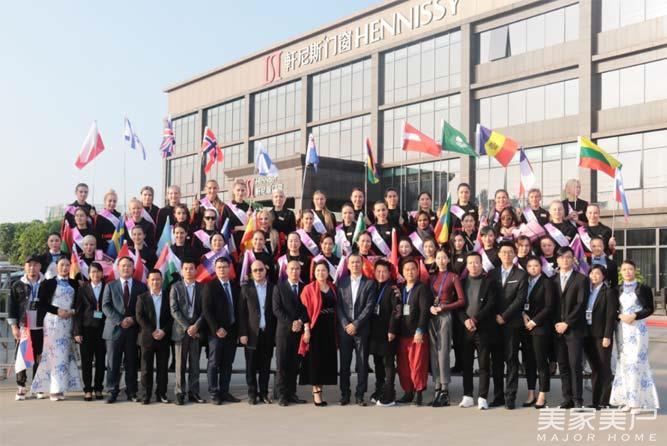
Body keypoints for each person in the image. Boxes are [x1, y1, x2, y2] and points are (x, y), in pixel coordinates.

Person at [609, 260, 660, 413]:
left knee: (637, 362)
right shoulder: (617, 289)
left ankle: (637, 402)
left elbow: (650, 308)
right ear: (621, 272)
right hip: (622, 329)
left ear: (635, 270)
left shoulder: (643, 288)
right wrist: (620, 316)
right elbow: (613, 309)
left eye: (630, 269)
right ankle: (627, 400)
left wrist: (635, 315)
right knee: (624, 363)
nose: (627, 272)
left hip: (638, 329)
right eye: (624, 269)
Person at [31, 257, 81, 401]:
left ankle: (61, 387)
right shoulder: (48, 283)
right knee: (53, 354)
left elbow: (78, 303)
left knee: (64, 355)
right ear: (56, 267)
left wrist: (71, 312)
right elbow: (41, 304)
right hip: (52, 322)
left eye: (67, 265)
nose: (65, 268)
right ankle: (54, 389)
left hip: (68, 321)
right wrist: (57, 311)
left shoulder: (75, 283)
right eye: (62, 265)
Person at [102, 256, 148, 403]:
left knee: (131, 362)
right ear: (118, 268)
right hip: (114, 330)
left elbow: (144, 308)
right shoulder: (110, 286)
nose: (126, 268)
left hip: (133, 330)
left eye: (129, 266)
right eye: (123, 266)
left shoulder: (141, 287)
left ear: (133, 268)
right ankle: (112, 391)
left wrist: (133, 319)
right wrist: (120, 320)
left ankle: (132, 391)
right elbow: (105, 306)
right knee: (113, 363)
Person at [490, 241, 528, 410]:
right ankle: (498, 396)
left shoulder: (521, 274)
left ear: (514, 254)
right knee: (496, 361)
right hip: (494, 323)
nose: (507, 255)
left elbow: (520, 299)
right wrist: (495, 316)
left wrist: (504, 316)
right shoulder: (492, 274)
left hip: (512, 323)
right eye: (504, 252)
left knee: (511, 359)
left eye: (510, 252)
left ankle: (510, 396)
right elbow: (489, 297)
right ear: (499, 254)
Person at [457, 252, 498, 410]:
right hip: (466, 329)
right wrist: (465, 320)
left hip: (483, 329)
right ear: (466, 265)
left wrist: (475, 319)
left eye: (476, 262)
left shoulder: (489, 282)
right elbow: (458, 306)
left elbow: (491, 304)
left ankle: (482, 397)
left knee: (483, 364)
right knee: (466, 364)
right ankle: (467, 395)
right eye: (470, 263)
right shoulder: (461, 282)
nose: (473, 265)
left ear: (481, 264)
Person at [337, 254, 375, 406]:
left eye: (358, 262)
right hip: (345, 329)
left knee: (362, 363)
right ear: (348, 265)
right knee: (344, 364)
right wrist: (346, 324)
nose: (355, 265)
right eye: (352, 262)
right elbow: (339, 306)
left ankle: (360, 395)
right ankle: (345, 394)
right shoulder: (342, 283)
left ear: (362, 264)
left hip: (362, 329)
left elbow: (369, 306)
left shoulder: (369, 283)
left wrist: (356, 324)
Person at [553, 246, 589, 409]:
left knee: (575, 365)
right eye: (562, 257)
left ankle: (577, 399)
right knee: (563, 365)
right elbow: (550, 305)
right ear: (557, 260)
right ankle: (567, 398)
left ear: (573, 259)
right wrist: (557, 324)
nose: (565, 260)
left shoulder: (581, 279)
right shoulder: (552, 280)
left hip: (574, 329)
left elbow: (581, 304)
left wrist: (567, 323)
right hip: (557, 329)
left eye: (568, 257)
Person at [299, 260, 338, 406]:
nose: (320, 273)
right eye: (318, 270)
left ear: (328, 272)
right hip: (315, 328)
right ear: (314, 273)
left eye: (323, 270)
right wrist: (307, 329)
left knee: (326, 361)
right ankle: (316, 394)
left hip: (330, 328)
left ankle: (320, 390)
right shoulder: (308, 289)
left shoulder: (333, 287)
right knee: (315, 361)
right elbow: (303, 311)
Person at [428, 249, 464, 407]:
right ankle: (436, 386)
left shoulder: (453, 276)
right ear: (435, 260)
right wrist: (430, 308)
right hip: (432, 316)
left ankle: (444, 389)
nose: (441, 260)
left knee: (443, 352)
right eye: (438, 258)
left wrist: (444, 307)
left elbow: (461, 300)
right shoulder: (432, 277)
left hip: (445, 315)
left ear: (448, 260)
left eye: (444, 258)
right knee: (433, 352)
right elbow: (428, 297)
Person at [202, 257, 240, 405]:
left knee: (227, 364)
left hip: (231, 332)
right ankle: (214, 392)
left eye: (225, 267)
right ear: (215, 269)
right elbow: (207, 310)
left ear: (229, 268)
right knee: (214, 363)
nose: (222, 270)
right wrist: (216, 328)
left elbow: (238, 309)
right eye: (219, 267)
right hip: (216, 333)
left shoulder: (235, 286)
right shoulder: (210, 286)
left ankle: (224, 392)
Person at [239, 260, 277, 405]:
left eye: (261, 269)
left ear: (265, 271)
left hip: (268, 333)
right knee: (251, 366)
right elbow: (241, 313)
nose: (258, 272)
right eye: (255, 270)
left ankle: (264, 393)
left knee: (265, 365)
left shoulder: (273, 288)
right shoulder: (245, 289)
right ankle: (252, 393)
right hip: (251, 334)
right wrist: (242, 333)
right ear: (251, 273)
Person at [272, 260, 309, 406]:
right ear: (286, 271)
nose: (294, 271)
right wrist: (292, 322)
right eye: (292, 269)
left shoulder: (304, 288)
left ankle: (292, 393)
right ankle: (282, 395)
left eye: (297, 269)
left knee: (294, 365)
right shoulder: (279, 288)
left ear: (300, 271)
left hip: (298, 332)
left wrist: (300, 321)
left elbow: (307, 308)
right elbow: (277, 309)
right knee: (282, 364)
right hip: (283, 332)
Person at [9, 255, 45, 400]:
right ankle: (21, 386)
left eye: (35, 265)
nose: (32, 268)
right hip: (24, 327)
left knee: (39, 356)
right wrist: (14, 327)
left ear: (40, 267)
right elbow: (12, 307)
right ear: (25, 267)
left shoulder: (46, 284)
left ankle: (37, 385)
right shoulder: (17, 285)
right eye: (29, 265)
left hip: (42, 326)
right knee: (22, 357)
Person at [169, 260, 205, 405]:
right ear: (181, 271)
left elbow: (205, 310)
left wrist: (196, 326)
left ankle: (194, 392)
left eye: (191, 268)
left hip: (196, 331)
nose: (188, 271)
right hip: (180, 331)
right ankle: (179, 392)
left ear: (196, 271)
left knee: (195, 364)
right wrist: (188, 327)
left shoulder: (202, 287)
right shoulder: (175, 287)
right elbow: (174, 310)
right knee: (180, 364)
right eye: (186, 268)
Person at [396, 258, 430, 406]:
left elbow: (424, 311)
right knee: (403, 366)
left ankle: (418, 393)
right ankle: (408, 392)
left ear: (417, 271)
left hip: (417, 334)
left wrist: (420, 329)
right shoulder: (400, 288)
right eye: (407, 270)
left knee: (417, 365)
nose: (410, 272)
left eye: (413, 269)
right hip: (402, 333)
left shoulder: (422, 288)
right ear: (402, 272)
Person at [521, 256, 554, 409]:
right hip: (525, 326)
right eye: (530, 266)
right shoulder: (525, 281)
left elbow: (549, 307)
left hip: (540, 327)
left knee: (541, 362)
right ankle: (531, 393)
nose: (533, 268)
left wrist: (534, 321)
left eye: (536, 265)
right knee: (529, 362)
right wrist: (523, 315)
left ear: (541, 267)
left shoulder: (547, 282)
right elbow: (521, 301)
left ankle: (542, 394)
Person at [583, 265, 618, 409]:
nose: (594, 276)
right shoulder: (587, 291)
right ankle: (595, 401)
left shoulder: (608, 292)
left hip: (601, 336)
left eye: (597, 273)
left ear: (603, 276)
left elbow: (610, 315)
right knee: (595, 368)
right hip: (587, 334)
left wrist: (607, 335)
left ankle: (605, 401)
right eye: (592, 273)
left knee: (604, 367)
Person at [136, 270, 172, 404]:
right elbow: (140, 316)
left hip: (164, 337)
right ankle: (146, 394)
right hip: (147, 338)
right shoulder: (142, 297)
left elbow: (172, 317)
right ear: (148, 281)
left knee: (163, 368)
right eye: (152, 280)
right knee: (146, 369)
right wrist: (152, 331)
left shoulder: (168, 296)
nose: (155, 282)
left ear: (162, 281)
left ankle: (161, 393)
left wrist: (163, 331)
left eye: (158, 279)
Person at [369, 259, 401, 407]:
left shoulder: (393, 289)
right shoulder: (373, 286)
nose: (381, 274)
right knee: (377, 361)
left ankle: (389, 393)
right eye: (378, 271)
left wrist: (392, 329)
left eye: (384, 271)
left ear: (389, 273)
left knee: (388, 362)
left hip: (388, 331)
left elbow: (397, 310)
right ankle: (379, 389)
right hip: (375, 331)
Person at [73, 262, 106, 401]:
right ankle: (87, 389)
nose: (96, 274)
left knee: (101, 361)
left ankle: (98, 388)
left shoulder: (107, 287)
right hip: (86, 329)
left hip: (103, 329)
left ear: (102, 273)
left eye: (98, 272)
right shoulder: (83, 289)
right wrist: (77, 332)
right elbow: (78, 311)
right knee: (86, 361)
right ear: (89, 274)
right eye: (93, 272)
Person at [224, 179, 251, 248]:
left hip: (246, 239)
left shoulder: (249, 207)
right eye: (238, 190)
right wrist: (239, 228)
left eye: (242, 190)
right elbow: (224, 227)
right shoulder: (227, 207)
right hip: (232, 241)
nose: (240, 193)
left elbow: (253, 225)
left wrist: (250, 217)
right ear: (233, 191)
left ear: (245, 191)